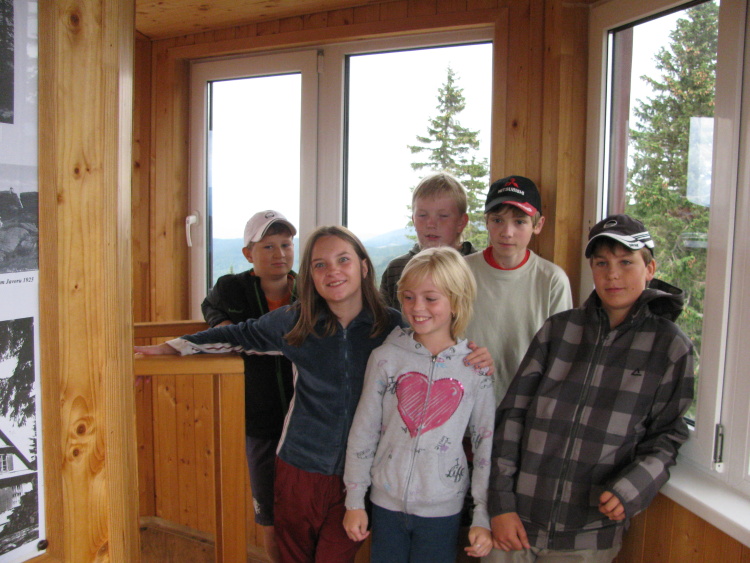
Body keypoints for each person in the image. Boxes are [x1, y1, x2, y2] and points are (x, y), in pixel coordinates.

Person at [135, 225, 494, 563]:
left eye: (343, 260)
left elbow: (438, 347)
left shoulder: (392, 327)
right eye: (319, 264)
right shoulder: (296, 321)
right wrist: (168, 349)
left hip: (357, 479)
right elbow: (235, 335)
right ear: (309, 275)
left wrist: (476, 356)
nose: (332, 271)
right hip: (299, 468)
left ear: (363, 267)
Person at [487, 214, 695, 562]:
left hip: (588, 532)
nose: (612, 274)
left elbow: (667, 435)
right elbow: (512, 416)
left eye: (626, 262)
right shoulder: (558, 330)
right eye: (601, 263)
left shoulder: (670, 347)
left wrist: (633, 488)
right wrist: (501, 504)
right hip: (516, 520)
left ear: (649, 269)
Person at [343, 246, 496, 563]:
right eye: (409, 297)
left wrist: (482, 514)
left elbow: (485, 444)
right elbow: (364, 431)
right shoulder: (385, 358)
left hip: (443, 509)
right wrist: (355, 499)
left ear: (456, 301)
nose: (417, 307)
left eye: (431, 298)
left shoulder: (475, 368)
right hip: (384, 504)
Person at [200, 209, 296, 563]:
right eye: (268, 246)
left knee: (303, 508)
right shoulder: (232, 288)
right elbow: (210, 306)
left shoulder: (308, 288)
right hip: (259, 421)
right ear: (248, 254)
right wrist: (220, 324)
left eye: (286, 244)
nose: (279, 254)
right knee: (269, 514)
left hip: (306, 420)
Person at [465, 175, 572, 405]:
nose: (507, 232)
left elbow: (561, 353)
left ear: (538, 225)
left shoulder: (552, 280)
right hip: (465, 400)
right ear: (486, 222)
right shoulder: (461, 272)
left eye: (520, 222)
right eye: (497, 220)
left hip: (525, 405)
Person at [380, 171, 478, 310]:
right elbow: (384, 319)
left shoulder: (478, 267)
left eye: (443, 216)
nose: (431, 224)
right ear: (413, 219)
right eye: (422, 215)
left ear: (461, 222)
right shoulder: (396, 269)